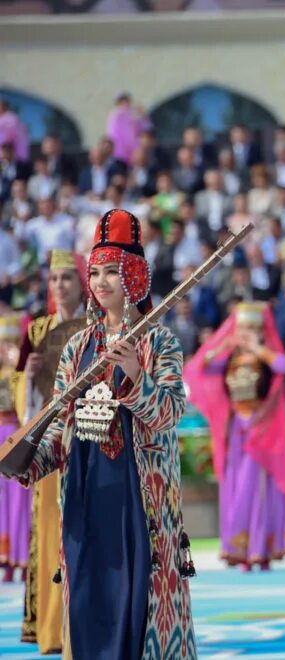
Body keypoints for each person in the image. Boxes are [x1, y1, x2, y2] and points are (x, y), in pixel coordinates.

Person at [14, 208, 197, 658]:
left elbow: (171, 412)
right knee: (91, 592)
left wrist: (136, 374)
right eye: (94, 272)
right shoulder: (79, 346)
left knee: (138, 599)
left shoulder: (159, 341)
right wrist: (27, 462)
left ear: (133, 275)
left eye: (111, 272)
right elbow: (60, 421)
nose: (100, 282)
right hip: (86, 487)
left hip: (138, 494)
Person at [184, 301, 285, 570]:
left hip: (260, 429)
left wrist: (255, 347)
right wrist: (221, 346)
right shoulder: (228, 357)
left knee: (256, 488)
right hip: (235, 430)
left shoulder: (265, 356)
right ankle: (238, 548)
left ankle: (261, 547)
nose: (246, 332)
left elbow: (283, 366)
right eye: (242, 327)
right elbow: (196, 370)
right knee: (236, 487)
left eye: (252, 328)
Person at [14, 249, 87, 654]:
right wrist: (28, 374)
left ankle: (84, 624)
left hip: (88, 440)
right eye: (55, 279)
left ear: (82, 282)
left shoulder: (96, 326)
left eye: (67, 278)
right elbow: (19, 395)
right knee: (50, 535)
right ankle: (54, 628)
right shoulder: (38, 329)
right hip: (48, 446)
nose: (60, 286)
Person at [0, 313, 28, 582]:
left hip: (15, 434)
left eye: (10, 341)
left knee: (19, 500)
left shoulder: (23, 374)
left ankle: (21, 558)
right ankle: (5, 559)